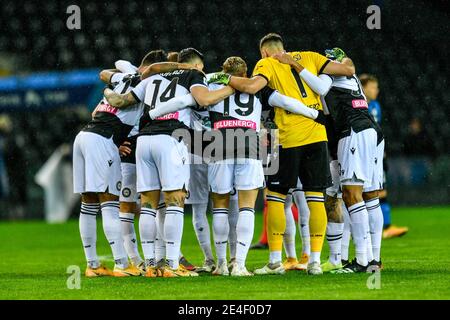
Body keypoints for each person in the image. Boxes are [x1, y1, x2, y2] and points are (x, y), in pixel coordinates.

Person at [209, 33, 355, 275]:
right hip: (317, 135)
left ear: (264, 52)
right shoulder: (311, 57)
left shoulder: (266, 63)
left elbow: (253, 86)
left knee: (276, 197)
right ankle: (315, 261)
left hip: (286, 137)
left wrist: (223, 77)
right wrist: (345, 59)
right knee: (315, 197)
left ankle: (276, 261)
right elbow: (347, 70)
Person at [104, 48, 234, 277]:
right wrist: (228, 88)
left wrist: (107, 91)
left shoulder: (152, 78)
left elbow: (121, 100)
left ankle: (152, 265)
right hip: (171, 138)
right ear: (197, 66)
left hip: (143, 141)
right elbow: (203, 99)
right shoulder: (194, 75)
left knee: (147, 204)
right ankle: (172, 265)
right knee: (175, 200)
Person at [276, 47, 385, 272]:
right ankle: (370, 259)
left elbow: (322, 86)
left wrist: (295, 64)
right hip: (367, 131)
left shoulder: (331, 73)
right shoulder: (349, 79)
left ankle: (363, 262)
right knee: (370, 196)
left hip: (354, 131)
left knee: (351, 195)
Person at [73, 53, 157, 277]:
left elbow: (107, 70)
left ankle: (93, 265)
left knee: (88, 204)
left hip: (84, 135)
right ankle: (121, 264)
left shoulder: (123, 77)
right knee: (109, 203)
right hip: (102, 140)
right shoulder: (147, 86)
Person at [360, 74, 409, 239]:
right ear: (363, 87)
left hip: (375, 153)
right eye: (373, 87)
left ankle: (385, 227)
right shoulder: (356, 104)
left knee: (380, 190)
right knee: (359, 192)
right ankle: (365, 228)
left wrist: (382, 150)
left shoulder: (375, 106)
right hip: (359, 153)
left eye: (376, 87)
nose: (376, 90)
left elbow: (377, 129)